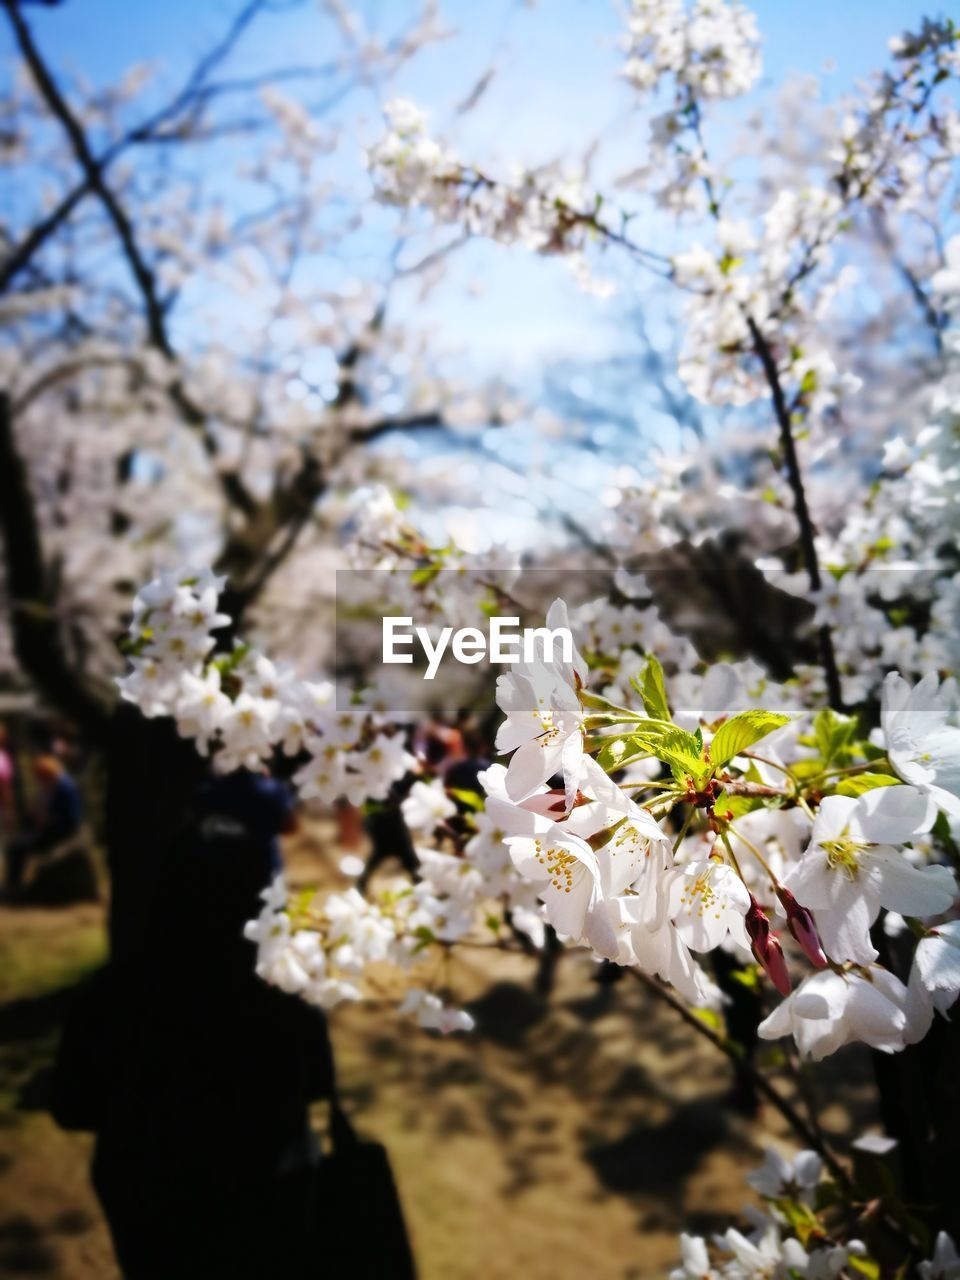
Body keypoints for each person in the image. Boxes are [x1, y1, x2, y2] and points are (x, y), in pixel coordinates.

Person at [52, 773, 334, 1280]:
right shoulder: (281, 996)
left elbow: (72, 1107)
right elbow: (320, 1085)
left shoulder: (110, 995)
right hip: (268, 1197)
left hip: (147, 1197)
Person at [3, 753, 82, 895]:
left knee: (17, 849)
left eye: (39, 776)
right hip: (46, 829)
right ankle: (13, 884)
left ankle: (13, 886)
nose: (38, 780)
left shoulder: (65, 788)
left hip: (59, 832)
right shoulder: (50, 786)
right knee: (16, 844)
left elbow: (71, 818)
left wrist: (47, 820)